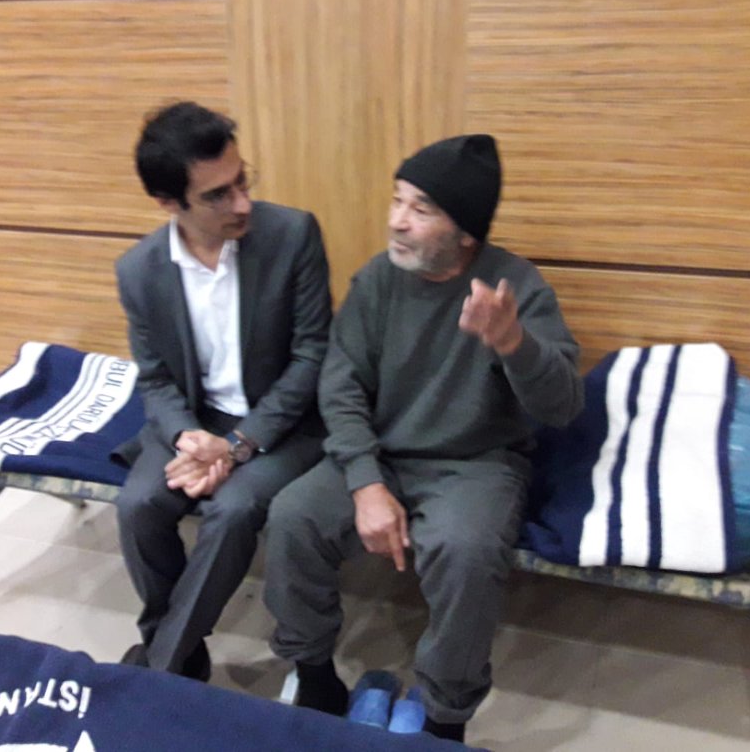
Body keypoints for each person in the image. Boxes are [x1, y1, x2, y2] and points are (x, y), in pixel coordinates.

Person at [263, 134, 583, 742]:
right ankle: (316, 676)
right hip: (381, 452)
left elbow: (563, 406)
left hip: (476, 463)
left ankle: (443, 717)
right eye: (397, 200)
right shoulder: (377, 280)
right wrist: (366, 483)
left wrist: (514, 343)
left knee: (467, 552)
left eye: (421, 208)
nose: (397, 221)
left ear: (465, 233)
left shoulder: (516, 287)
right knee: (293, 517)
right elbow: (341, 387)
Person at [114, 101, 331, 682]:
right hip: (197, 420)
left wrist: (238, 445)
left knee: (233, 510)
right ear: (168, 203)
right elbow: (155, 379)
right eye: (217, 195)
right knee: (137, 506)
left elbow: (313, 356)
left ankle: (160, 668)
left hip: (282, 422)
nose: (242, 204)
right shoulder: (139, 271)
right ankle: (180, 653)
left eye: (242, 181)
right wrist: (188, 437)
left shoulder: (293, 235)